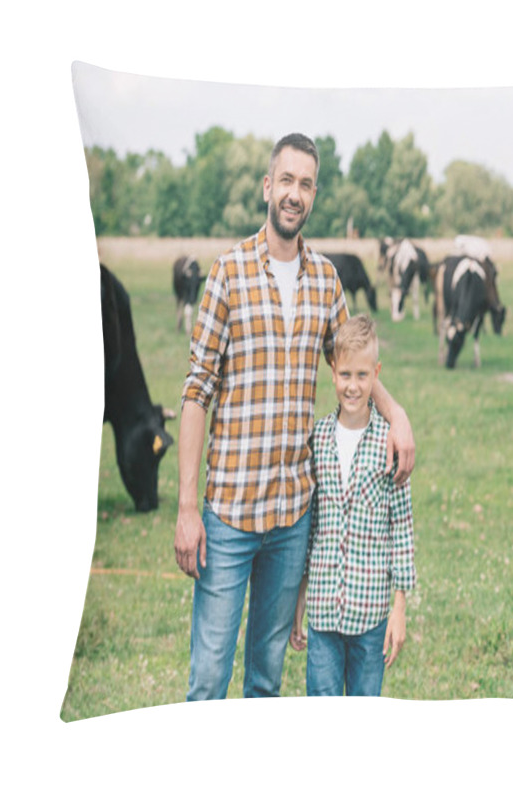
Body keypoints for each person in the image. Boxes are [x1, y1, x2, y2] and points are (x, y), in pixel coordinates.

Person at [173, 133, 415, 701]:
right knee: (208, 680)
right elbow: (195, 393)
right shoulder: (228, 273)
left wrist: (396, 413)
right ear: (267, 186)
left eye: (305, 184)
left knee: (265, 682)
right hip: (228, 516)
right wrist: (188, 508)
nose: (294, 194)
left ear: (312, 195)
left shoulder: (327, 280)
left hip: (290, 519)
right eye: (286, 181)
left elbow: (354, 364)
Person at [289, 314, 416, 696]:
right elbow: (310, 530)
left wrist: (399, 608)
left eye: (363, 376)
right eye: (345, 375)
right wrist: (300, 599)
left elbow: (402, 529)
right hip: (323, 612)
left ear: (376, 373)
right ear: (333, 372)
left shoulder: (388, 443)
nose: (353, 386)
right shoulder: (319, 438)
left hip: (372, 613)